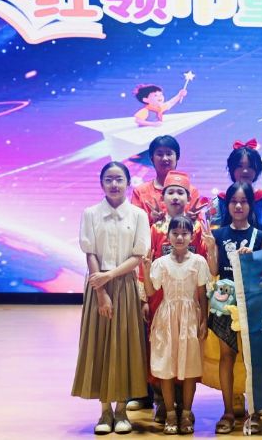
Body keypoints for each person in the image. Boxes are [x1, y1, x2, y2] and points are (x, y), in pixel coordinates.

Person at [71, 161, 151, 435]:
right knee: (100, 344)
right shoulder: (91, 213)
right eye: (109, 179)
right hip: (98, 287)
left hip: (125, 285)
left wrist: (110, 276)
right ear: (101, 183)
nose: (114, 184)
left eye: (119, 179)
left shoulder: (138, 215)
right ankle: (104, 411)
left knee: (124, 345)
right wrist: (101, 290)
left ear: (128, 183)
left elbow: (138, 256)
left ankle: (121, 410)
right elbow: (90, 252)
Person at [141, 171, 207, 423]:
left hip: (188, 297)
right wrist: (145, 299)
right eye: (171, 192)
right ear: (163, 196)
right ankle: (163, 403)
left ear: (188, 198)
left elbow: (201, 265)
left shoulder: (196, 227)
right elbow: (146, 264)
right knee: (163, 352)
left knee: (187, 353)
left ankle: (184, 406)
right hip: (162, 298)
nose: (176, 197)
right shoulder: (156, 228)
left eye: (181, 192)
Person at [202, 182, 262, 434]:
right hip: (223, 304)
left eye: (243, 201)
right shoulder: (218, 235)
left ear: (251, 205)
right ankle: (228, 411)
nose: (238, 206)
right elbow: (213, 270)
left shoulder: (259, 236)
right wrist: (210, 249)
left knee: (254, 359)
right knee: (226, 357)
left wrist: (252, 261)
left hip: (252, 303)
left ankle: (254, 411)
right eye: (233, 201)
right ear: (227, 205)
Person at [209, 139, 262, 245]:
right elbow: (213, 240)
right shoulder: (220, 201)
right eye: (240, 166)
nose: (245, 171)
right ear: (232, 168)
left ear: (257, 169)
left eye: (250, 166)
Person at [131, 135, 204, 226]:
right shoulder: (140, 192)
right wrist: (152, 220)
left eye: (169, 154)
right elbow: (134, 225)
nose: (165, 158)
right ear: (152, 159)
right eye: (160, 154)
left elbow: (200, 227)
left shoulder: (191, 191)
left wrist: (191, 220)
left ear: (177, 157)